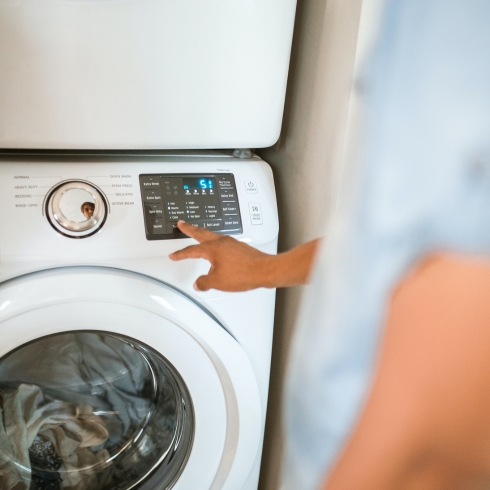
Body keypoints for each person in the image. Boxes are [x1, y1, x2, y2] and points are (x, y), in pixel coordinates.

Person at [171, 0, 490, 488]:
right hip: (335, 446)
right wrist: (263, 268)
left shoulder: (461, 32)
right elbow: (391, 243)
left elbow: (438, 442)